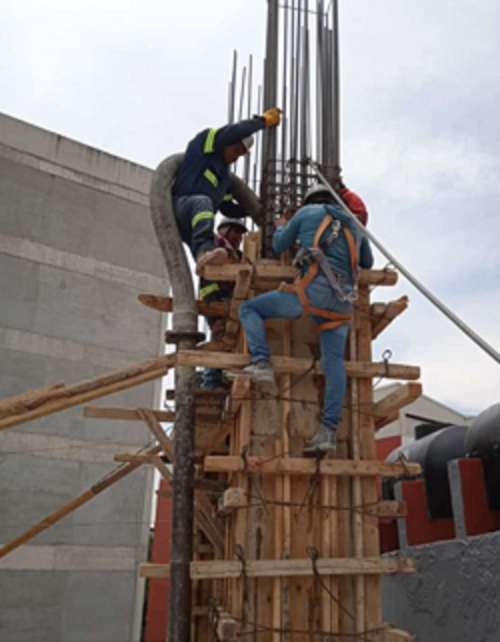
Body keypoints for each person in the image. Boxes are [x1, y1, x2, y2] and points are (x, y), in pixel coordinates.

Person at [227, 184, 374, 455]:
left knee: (249, 309)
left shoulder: (307, 213)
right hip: (342, 305)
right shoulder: (353, 225)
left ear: (308, 201)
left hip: (312, 293)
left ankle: (261, 362)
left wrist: (284, 224)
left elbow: (279, 243)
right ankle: (327, 433)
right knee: (334, 366)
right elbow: (367, 261)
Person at [172, 109, 281, 274]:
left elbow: (227, 208)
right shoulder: (205, 145)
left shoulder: (224, 179)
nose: (236, 158)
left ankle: (205, 263)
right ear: (227, 142)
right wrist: (262, 122)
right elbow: (233, 132)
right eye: (236, 150)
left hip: (196, 224)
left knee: (213, 260)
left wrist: (259, 211)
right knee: (203, 202)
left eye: (241, 155)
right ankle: (205, 251)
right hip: (182, 207)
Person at [200, 217, 248, 390]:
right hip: (216, 306)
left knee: (232, 343)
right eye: (235, 232)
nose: (238, 238)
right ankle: (211, 383)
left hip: (232, 306)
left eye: (240, 235)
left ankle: (222, 380)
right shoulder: (215, 251)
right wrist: (216, 310)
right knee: (219, 342)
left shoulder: (239, 256)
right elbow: (208, 288)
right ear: (224, 231)